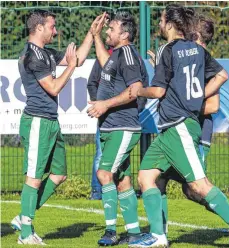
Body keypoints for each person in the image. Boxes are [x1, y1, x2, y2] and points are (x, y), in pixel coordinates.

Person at [128, 5, 229, 248]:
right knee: (147, 177)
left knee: (198, 185)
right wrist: (196, 99)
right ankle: (158, 236)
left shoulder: (168, 49)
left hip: (179, 127)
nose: (160, 25)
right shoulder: (197, 49)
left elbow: (159, 91)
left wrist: (139, 90)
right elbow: (223, 75)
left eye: (162, 20)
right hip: (172, 129)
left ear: (171, 24)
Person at [11, 9, 97, 245]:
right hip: (38, 120)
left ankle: (24, 216)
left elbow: (76, 59)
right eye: (52, 27)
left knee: (59, 174)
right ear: (39, 28)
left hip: (51, 121)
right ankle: (25, 233)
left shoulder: (45, 52)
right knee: (34, 177)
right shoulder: (32, 55)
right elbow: (54, 87)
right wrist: (69, 66)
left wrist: (91, 34)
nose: (55, 31)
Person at [87, 11, 148, 246]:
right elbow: (104, 62)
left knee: (103, 174)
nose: (107, 32)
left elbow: (135, 90)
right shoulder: (116, 54)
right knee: (122, 180)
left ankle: (111, 231)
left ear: (124, 34)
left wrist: (105, 104)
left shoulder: (129, 56)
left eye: (110, 29)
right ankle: (133, 233)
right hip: (111, 127)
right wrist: (95, 36)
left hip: (124, 126)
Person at [87, 47, 113, 200]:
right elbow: (91, 83)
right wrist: (100, 104)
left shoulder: (131, 56)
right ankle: (97, 192)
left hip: (124, 117)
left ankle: (118, 190)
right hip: (105, 117)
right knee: (101, 154)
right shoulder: (103, 58)